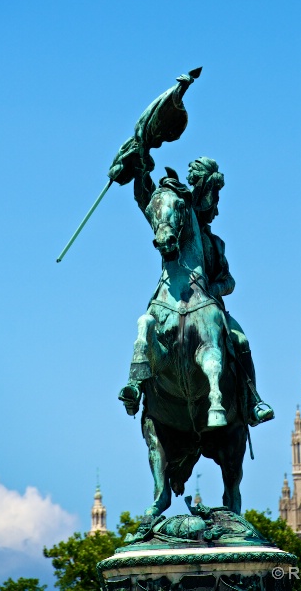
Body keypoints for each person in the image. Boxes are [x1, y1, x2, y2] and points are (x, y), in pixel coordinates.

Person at [118, 156, 274, 427]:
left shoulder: (215, 244)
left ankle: (252, 401)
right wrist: (140, 161)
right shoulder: (176, 234)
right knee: (146, 324)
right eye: (211, 203)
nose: (213, 211)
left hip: (209, 306)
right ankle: (135, 385)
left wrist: (213, 288)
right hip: (170, 300)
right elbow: (149, 200)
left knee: (241, 340)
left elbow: (229, 281)